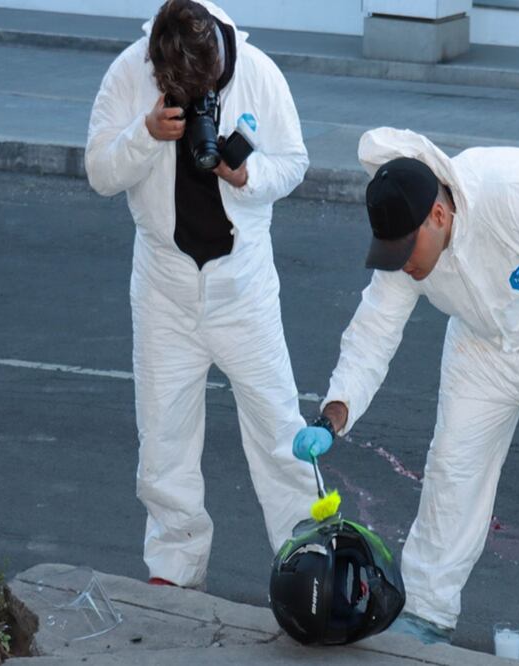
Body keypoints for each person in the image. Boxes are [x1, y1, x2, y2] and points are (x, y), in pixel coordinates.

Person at [292, 127, 519, 665]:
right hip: (481, 351)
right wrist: (333, 414)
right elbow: (373, 331)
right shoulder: (407, 248)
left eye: (406, 251)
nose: (402, 264)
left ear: (438, 216)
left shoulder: (516, 189)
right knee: (452, 474)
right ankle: (425, 613)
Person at [85, 0, 311, 589]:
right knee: (164, 441)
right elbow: (99, 172)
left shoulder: (259, 71)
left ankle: (309, 562)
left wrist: (247, 175)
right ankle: (174, 573)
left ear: (217, 63)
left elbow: (294, 163)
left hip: (244, 287)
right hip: (163, 287)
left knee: (280, 433)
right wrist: (144, 135)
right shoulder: (128, 70)